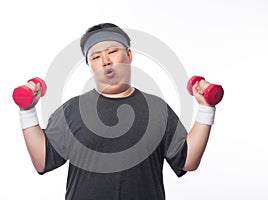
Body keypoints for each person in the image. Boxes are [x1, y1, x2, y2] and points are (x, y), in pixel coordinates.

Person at [17, 23, 217, 200]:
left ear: (129, 55)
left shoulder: (157, 109)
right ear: (90, 66)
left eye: (112, 51)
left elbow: (188, 161)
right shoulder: (72, 110)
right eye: (95, 57)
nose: (105, 60)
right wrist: (27, 111)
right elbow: (42, 160)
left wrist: (206, 109)